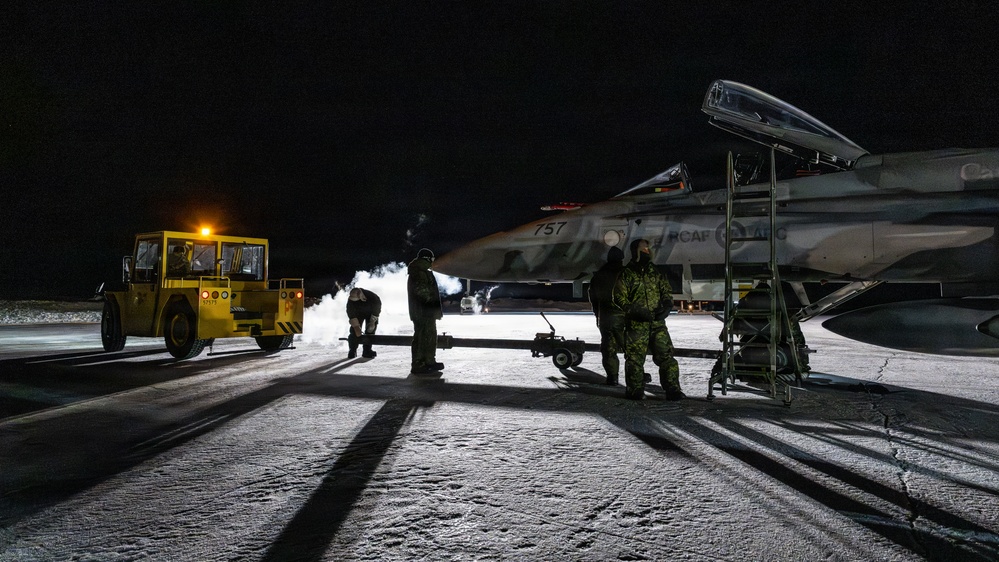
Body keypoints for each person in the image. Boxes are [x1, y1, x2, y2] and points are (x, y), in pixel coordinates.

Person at [612, 239, 683, 400]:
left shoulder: (655, 272)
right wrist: (635, 311)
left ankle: (673, 389)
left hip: (657, 324)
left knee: (666, 357)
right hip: (636, 325)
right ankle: (635, 390)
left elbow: (666, 292)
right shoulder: (627, 273)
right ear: (635, 251)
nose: (647, 252)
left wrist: (667, 305)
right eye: (643, 249)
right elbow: (618, 298)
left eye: (647, 249)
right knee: (635, 359)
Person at [587, 246, 625, 385]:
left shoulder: (599, 275)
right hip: (624, 318)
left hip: (606, 318)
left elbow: (593, 298)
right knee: (631, 348)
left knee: (609, 349)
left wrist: (598, 315)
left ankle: (612, 377)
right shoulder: (625, 273)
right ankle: (636, 376)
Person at [407, 248, 444, 374]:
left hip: (425, 311)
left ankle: (429, 361)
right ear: (427, 259)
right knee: (422, 337)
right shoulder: (419, 272)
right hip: (423, 311)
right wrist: (430, 302)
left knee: (429, 336)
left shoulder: (422, 271)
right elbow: (421, 290)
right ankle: (418, 364)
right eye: (431, 259)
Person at [346, 287, 382, 359]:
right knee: (354, 331)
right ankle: (352, 350)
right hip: (358, 313)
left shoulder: (373, 297)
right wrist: (356, 326)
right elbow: (351, 313)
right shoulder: (350, 300)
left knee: (370, 331)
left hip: (371, 313)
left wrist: (372, 322)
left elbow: (376, 310)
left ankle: (367, 350)